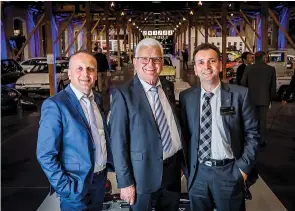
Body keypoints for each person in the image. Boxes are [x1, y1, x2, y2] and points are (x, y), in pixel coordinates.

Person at [109, 38, 187, 211]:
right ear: (135, 62)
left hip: (171, 171)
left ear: (162, 61)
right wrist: (125, 181)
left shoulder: (167, 86)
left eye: (156, 59)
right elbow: (118, 141)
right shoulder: (123, 94)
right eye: (144, 58)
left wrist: (181, 163)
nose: (150, 64)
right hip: (141, 176)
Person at [179, 43, 259, 211]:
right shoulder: (187, 97)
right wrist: (187, 169)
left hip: (229, 171)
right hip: (198, 173)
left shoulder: (240, 95)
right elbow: (185, 135)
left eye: (212, 61)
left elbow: (253, 134)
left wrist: (242, 170)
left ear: (220, 65)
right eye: (200, 62)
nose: (206, 67)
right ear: (195, 69)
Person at [37, 51, 113, 211]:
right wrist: (66, 188)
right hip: (75, 186)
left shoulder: (97, 99)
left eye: (90, 69)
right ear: (69, 74)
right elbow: (45, 154)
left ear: (96, 74)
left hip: (99, 181)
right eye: (79, 68)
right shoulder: (55, 105)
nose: (85, 74)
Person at [241, 51, 276, 146]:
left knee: (251, 120)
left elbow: (243, 83)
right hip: (264, 99)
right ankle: (261, 141)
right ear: (264, 58)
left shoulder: (248, 68)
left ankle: (251, 140)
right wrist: (271, 99)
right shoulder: (271, 69)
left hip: (250, 99)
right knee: (262, 121)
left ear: (255, 58)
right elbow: (273, 88)